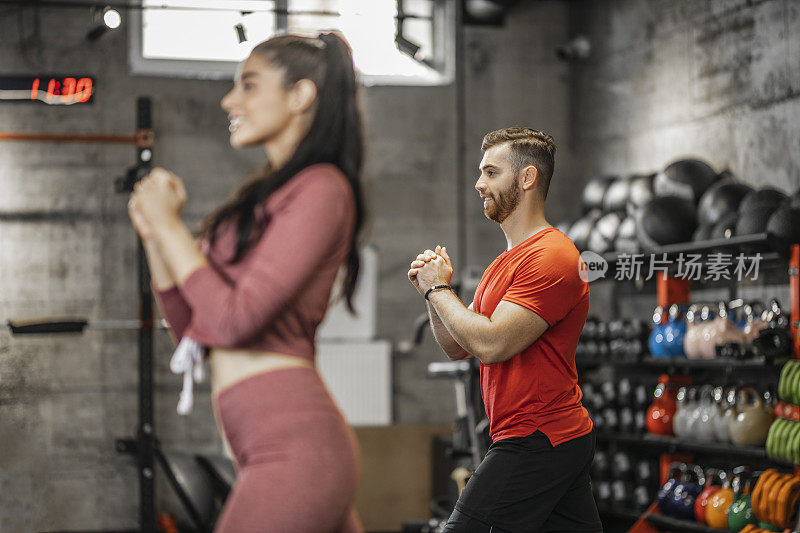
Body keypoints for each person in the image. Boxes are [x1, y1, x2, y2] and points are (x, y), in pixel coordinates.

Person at [127, 32, 365, 533]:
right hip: (260, 448)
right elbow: (192, 328)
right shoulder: (259, 200)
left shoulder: (323, 188)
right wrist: (154, 233)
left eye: (248, 85)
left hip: (295, 450)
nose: (229, 100)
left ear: (300, 96)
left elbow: (235, 321)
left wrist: (172, 226)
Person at [408, 128, 601, 533]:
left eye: (491, 172)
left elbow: (491, 343)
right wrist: (432, 295)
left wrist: (439, 288)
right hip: (542, 436)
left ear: (527, 178)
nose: (479, 184)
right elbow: (458, 347)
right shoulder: (502, 264)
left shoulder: (553, 256)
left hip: (539, 435)